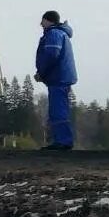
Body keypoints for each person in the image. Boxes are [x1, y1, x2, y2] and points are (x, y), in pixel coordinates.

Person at [34, 10, 78, 151]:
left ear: (49, 21)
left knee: (58, 111)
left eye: (43, 20)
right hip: (60, 77)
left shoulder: (54, 34)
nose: (41, 24)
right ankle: (61, 140)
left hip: (58, 78)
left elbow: (51, 55)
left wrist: (42, 72)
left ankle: (63, 141)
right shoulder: (61, 34)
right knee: (59, 109)